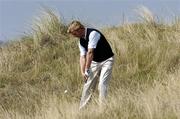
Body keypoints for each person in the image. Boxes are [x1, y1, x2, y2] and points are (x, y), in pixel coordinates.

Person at [67, 20, 114, 109]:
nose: (74, 36)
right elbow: (82, 57)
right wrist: (83, 72)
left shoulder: (93, 33)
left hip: (107, 60)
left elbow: (90, 53)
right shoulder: (81, 41)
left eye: (74, 34)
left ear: (79, 29)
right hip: (95, 62)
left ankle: (102, 109)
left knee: (102, 84)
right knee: (88, 85)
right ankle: (82, 109)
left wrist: (87, 69)